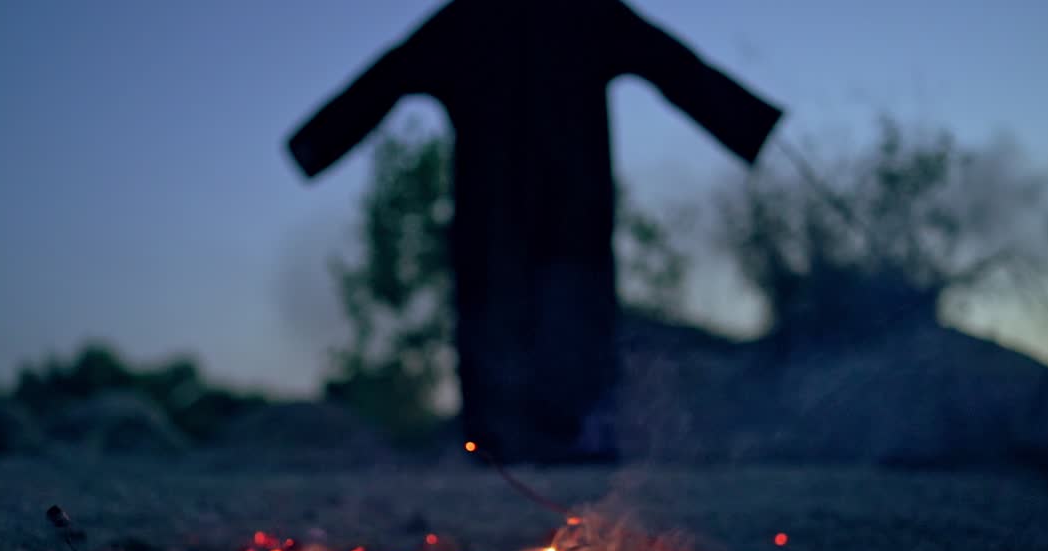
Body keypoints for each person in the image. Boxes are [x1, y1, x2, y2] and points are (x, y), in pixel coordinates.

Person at [287, 0, 782, 464]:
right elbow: (388, 78)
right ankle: (514, 444)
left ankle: (559, 438)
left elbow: (670, 62)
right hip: (526, 209)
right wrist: (745, 123)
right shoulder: (492, 18)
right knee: (510, 321)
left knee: (558, 316)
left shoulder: (537, 15)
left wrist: (745, 121)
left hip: (546, 209)